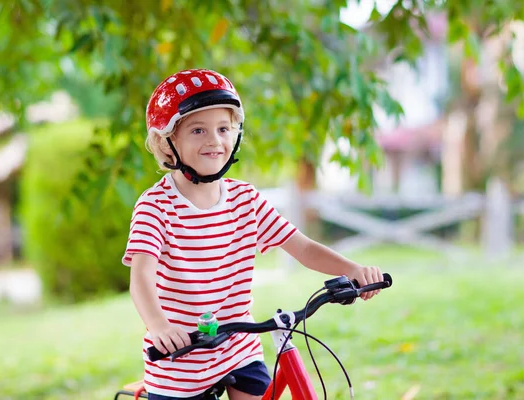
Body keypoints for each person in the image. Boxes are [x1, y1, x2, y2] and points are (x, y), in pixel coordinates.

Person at [122, 69, 384, 400]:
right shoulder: (155, 207)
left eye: (223, 128)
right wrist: (160, 327)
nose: (214, 140)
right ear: (166, 141)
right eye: (198, 130)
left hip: (239, 346)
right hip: (181, 357)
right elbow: (141, 278)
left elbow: (301, 247)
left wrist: (352, 270)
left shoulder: (246, 200)